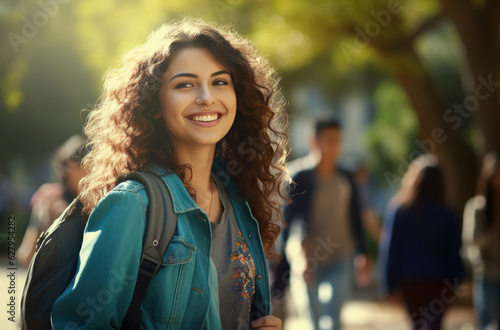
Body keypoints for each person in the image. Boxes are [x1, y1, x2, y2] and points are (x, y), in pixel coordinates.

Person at [50, 18, 289, 329]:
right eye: (185, 84)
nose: (206, 97)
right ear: (154, 104)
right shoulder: (132, 205)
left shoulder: (239, 203)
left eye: (219, 82)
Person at [284, 118, 371, 330]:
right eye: (329, 140)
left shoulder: (347, 176)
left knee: (333, 321)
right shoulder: (299, 176)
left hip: (340, 257)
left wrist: (363, 253)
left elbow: (356, 216)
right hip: (306, 260)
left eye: (337, 141)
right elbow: (292, 222)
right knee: (313, 321)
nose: (334, 146)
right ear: (314, 141)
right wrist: (298, 258)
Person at [378, 154, 463, 330]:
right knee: (433, 325)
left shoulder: (399, 211)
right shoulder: (447, 215)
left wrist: (388, 284)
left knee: (418, 325)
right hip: (439, 281)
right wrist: (457, 281)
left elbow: (390, 250)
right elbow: (453, 252)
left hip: (410, 281)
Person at [17, 134, 86, 266]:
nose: (67, 170)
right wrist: (44, 221)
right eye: (66, 164)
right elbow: (25, 256)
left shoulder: (99, 200)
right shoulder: (50, 197)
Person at [463, 151, 500, 330]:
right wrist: (492, 235)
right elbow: (471, 241)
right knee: (488, 324)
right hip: (487, 274)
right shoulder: (478, 207)